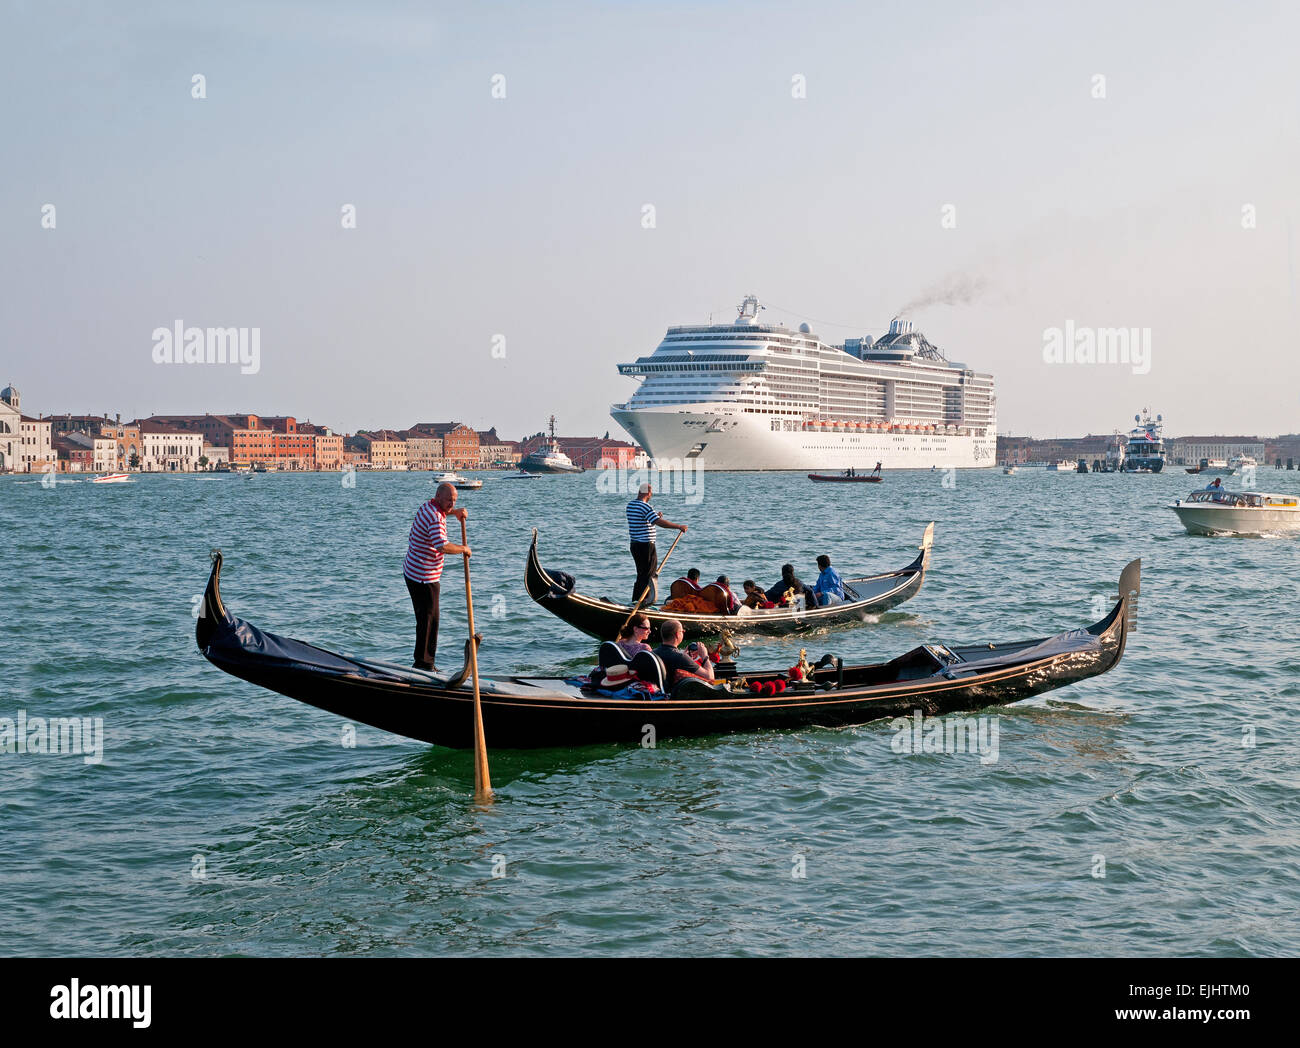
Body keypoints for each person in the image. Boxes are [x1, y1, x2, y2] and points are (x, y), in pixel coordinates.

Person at [403, 482, 470, 671]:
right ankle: (424, 665)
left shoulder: (428, 506)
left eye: (455, 500)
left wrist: (454, 512)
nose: (452, 503)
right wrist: (463, 549)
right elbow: (443, 546)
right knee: (430, 620)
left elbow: (442, 512)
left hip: (413, 572)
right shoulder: (435, 517)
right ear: (438, 496)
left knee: (426, 619)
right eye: (449, 500)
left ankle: (423, 663)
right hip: (423, 577)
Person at [626, 481, 687, 605]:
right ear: (648, 493)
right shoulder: (645, 507)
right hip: (646, 545)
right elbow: (659, 523)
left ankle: (636, 600)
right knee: (649, 574)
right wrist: (679, 526)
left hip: (635, 545)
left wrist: (655, 516)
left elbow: (643, 520)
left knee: (641, 574)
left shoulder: (630, 505)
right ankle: (645, 601)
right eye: (651, 493)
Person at [652, 619, 715, 689]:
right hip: (674, 696)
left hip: (657, 693)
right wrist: (705, 656)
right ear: (677, 634)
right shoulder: (681, 657)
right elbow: (710, 677)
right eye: (682, 631)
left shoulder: (652, 653)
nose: (683, 633)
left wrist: (686, 658)